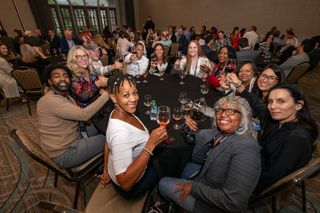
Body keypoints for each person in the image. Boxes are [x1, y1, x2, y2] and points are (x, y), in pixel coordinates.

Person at [158, 96, 261, 212]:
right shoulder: (222, 132)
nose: (222, 115)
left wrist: (193, 188)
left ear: (243, 117)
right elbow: (195, 138)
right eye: (219, 110)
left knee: (163, 183)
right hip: (206, 176)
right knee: (181, 167)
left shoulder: (247, 149)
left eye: (231, 111)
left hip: (212, 205)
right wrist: (189, 129)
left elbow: (233, 202)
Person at [100, 73, 168, 198]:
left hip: (114, 171)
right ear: (114, 98)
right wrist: (150, 145)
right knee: (166, 165)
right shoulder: (120, 134)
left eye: (135, 93)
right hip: (133, 187)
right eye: (126, 95)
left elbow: (108, 143)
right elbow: (126, 184)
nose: (133, 99)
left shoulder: (117, 112)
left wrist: (106, 170)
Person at [37, 64, 110, 168]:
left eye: (65, 76)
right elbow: (84, 115)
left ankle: (102, 161)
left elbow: (79, 114)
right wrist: (107, 94)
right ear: (49, 81)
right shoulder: (50, 100)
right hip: (65, 152)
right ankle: (107, 168)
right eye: (57, 76)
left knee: (99, 127)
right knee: (112, 138)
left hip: (72, 137)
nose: (62, 78)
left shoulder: (64, 96)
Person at [255, 83, 318, 193]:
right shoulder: (283, 122)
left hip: (256, 178)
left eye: (281, 101)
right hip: (257, 163)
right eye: (270, 101)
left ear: (298, 105)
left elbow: (271, 178)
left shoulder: (296, 139)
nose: (272, 106)